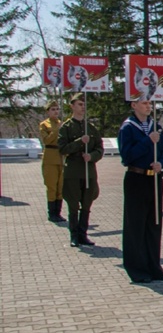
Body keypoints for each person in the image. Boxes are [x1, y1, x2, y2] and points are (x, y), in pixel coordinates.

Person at [118, 97, 163, 283]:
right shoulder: (128, 127)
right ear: (134, 105)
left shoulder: (155, 126)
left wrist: (162, 163)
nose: (148, 106)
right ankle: (137, 267)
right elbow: (127, 156)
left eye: (150, 104)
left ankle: (153, 265)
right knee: (136, 225)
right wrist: (148, 141)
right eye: (144, 103)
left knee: (154, 223)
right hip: (136, 178)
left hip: (154, 178)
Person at [57, 94, 103, 248]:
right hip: (73, 170)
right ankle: (74, 235)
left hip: (88, 169)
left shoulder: (91, 128)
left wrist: (91, 156)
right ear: (72, 106)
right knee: (73, 204)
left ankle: (83, 234)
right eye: (79, 104)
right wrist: (79, 142)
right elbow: (62, 149)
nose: (82, 107)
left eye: (84, 104)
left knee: (87, 203)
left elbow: (99, 149)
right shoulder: (66, 127)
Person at [38, 100, 65, 223]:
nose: (56, 112)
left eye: (57, 109)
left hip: (61, 157)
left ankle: (58, 212)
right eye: (53, 109)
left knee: (61, 187)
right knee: (52, 187)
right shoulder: (44, 125)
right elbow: (47, 141)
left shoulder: (62, 123)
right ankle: (51, 213)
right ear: (48, 111)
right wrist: (56, 130)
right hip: (50, 158)